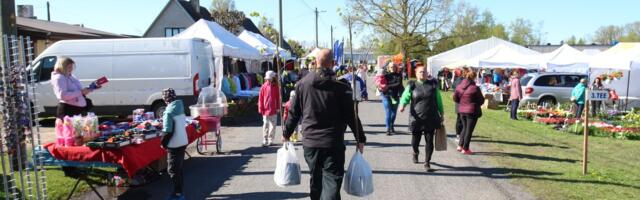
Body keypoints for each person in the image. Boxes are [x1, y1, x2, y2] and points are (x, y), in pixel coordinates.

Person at [283, 49, 366, 200]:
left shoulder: (302, 84)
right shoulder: (342, 87)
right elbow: (351, 116)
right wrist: (360, 138)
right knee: (332, 181)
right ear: (333, 64)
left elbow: (293, 113)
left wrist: (286, 133)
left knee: (316, 179)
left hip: (311, 143)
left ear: (315, 63)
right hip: (332, 142)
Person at [398, 66, 443, 171]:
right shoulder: (412, 85)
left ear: (427, 73)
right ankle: (415, 152)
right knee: (415, 141)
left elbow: (439, 100)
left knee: (429, 141)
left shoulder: (433, 85)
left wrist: (442, 113)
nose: (422, 73)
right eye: (420, 72)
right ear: (416, 73)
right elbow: (405, 97)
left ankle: (427, 162)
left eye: (424, 72)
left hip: (431, 117)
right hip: (416, 118)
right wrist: (402, 105)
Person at [160, 88, 188, 200]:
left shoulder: (168, 112)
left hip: (174, 144)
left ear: (165, 99)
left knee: (172, 170)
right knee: (179, 168)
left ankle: (178, 194)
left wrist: (163, 143)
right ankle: (180, 191)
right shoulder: (180, 107)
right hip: (183, 141)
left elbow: (168, 131)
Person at [453, 69, 484, 155]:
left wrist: (462, 102)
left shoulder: (459, 86)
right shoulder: (475, 88)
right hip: (472, 111)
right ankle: (465, 148)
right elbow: (481, 100)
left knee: (464, 128)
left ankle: (460, 145)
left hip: (462, 110)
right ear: (474, 77)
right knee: (468, 130)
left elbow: (455, 98)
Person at [258, 70, 280, 147]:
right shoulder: (263, 86)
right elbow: (260, 98)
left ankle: (271, 139)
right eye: (268, 78)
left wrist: (278, 107)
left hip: (273, 109)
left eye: (270, 78)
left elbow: (278, 97)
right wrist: (260, 108)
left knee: (273, 125)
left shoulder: (276, 86)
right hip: (265, 109)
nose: (269, 80)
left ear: (273, 78)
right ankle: (265, 139)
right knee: (265, 124)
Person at [382, 63, 405, 135]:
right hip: (386, 95)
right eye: (391, 67)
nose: (393, 68)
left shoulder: (399, 75)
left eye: (394, 66)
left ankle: (391, 125)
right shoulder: (385, 75)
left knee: (394, 113)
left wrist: (387, 86)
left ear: (396, 67)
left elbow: (398, 84)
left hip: (395, 96)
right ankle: (388, 128)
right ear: (388, 68)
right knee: (388, 113)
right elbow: (381, 83)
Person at [451, 67, 467, 142]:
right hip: (461, 101)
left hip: (458, 101)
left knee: (460, 119)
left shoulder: (456, 80)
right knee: (461, 119)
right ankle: (459, 135)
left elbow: (453, 88)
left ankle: (459, 134)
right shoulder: (461, 81)